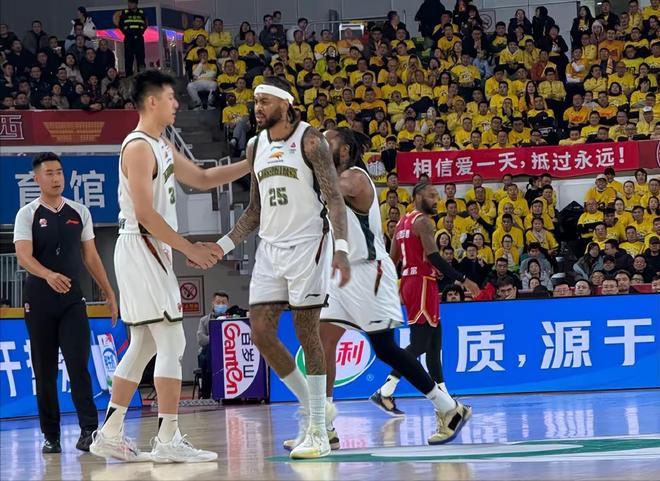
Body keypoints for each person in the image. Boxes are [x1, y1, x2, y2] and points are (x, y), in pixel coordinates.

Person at [90, 70, 250, 463]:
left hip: (150, 247)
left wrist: (251, 163)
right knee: (172, 341)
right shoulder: (138, 147)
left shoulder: (160, 144)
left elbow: (203, 177)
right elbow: (145, 214)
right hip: (142, 244)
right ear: (152, 102)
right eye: (170, 97)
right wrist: (189, 248)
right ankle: (167, 438)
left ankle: (109, 433)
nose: (177, 103)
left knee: (144, 344)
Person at [211, 76, 351, 459]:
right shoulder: (255, 145)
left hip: (308, 245)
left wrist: (341, 248)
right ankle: (317, 412)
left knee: (307, 333)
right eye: (256, 101)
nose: (257, 107)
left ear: (285, 104)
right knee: (260, 331)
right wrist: (221, 245)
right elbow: (254, 210)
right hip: (270, 249)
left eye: (265, 101)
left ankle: (318, 431)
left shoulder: (310, 141)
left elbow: (334, 199)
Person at [318, 129, 474, 449]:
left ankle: (448, 407)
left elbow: (327, 188)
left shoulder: (355, 178)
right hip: (343, 272)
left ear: (345, 150)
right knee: (323, 340)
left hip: (368, 273)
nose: (320, 144)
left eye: (326, 141)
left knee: (387, 348)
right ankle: (323, 425)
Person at [13, 153, 119, 454]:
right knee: (45, 371)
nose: (56, 178)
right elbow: (23, 256)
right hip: (39, 300)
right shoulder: (28, 214)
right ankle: (51, 435)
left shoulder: (79, 211)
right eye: (49, 173)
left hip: (72, 300)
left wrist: (109, 292)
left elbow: (91, 257)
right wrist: (48, 275)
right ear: (37, 178)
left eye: (59, 172)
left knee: (78, 365)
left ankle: (89, 431)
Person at [373, 181, 479, 413]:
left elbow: (393, 260)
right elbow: (434, 256)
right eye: (432, 195)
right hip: (422, 284)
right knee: (420, 343)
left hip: (411, 282)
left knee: (434, 343)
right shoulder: (423, 221)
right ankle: (386, 389)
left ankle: (445, 400)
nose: (436, 200)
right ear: (418, 196)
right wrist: (463, 279)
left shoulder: (402, 222)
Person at [196, 292, 247, 399]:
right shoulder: (204, 320)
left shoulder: (234, 319)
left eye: (223, 303)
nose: (221, 305)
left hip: (230, 352)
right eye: (218, 302)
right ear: (213, 304)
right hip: (209, 355)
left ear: (228, 305)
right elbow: (201, 339)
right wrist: (218, 339)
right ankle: (206, 395)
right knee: (209, 352)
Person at [118, 0, 147, 76]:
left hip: (139, 39)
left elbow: (145, 25)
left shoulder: (141, 13)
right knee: (128, 60)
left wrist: (140, 32)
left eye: (131, 3)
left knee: (141, 59)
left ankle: (142, 78)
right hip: (129, 39)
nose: (129, 4)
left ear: (136, 4)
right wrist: (127, 33)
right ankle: (129, 79)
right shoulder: (125, 13)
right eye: (129, 3)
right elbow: (120, 25)